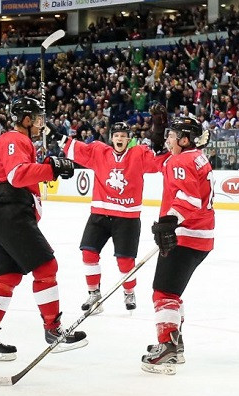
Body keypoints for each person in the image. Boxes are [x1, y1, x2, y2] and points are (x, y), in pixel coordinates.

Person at [0, 97, 87, 361]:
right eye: (36, 118)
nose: (39, 123)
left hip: (1, 215)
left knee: (7, 278)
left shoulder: (19, 141)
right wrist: (51, 168)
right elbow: (17, 175)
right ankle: (53, 332)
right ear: (25, 119)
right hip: (10, 213)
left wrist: (49, 167)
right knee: (47, 267)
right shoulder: (15, 139)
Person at [48, 119, 163, 313]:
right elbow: (79, 149)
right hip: (100, 214)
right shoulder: (99, 151)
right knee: (88, 253)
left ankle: (129, 292)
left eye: (123, 136)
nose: (119, 139)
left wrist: (160, 137)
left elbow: (158, 162)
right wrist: (59, 137)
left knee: (125, 261)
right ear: (111, 138)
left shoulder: (139, 154)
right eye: (116, 136)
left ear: (129, 140)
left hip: (127, 217)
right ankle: (94, 293)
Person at [142, 116, 214, 375]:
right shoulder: (195, 156)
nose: (168, 139)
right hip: (200, 236)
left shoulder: (181, 160)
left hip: (186, 236)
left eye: (172, 136)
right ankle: (174, 343)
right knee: (171, 291)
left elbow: (189, 198)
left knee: (163, 293)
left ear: (185, 140)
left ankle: (168, 347)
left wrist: (169, 223)